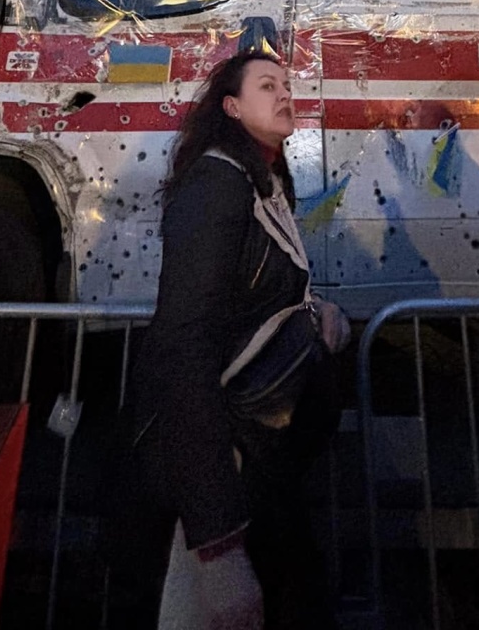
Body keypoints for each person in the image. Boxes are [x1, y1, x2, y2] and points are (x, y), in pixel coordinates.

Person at [118, 51, 349, 630]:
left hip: (264, 472)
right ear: (231, 106)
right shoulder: (216, 184)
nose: (285, 93)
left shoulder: (264, 184)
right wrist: (217, 541)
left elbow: (255, 296)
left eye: (289, 84)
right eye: (267, 85)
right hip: (225, 474)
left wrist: (314, 309)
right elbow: (184, 343)